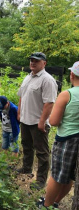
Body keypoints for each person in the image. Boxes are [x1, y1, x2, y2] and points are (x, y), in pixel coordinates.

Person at [37, 61, 79, 208]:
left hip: (66, 140)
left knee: (57, 176)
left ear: (71, 74)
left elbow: (54, 121)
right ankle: (56, 202)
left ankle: (46, 205)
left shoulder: (66, 95)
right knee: (71, 176)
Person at [16, 52, 58, 190]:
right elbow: (21, 96)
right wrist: (19, 112)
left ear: (44, 63)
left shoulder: (47, 80)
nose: (32, 63)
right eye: (31, 60)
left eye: (36, 61)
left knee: (42, 152)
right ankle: (27, 169)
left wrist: (42, 122)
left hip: (37, 122)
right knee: (26, 146)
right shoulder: (28, 77)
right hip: (25, 120)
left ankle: (41, 180)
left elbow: (49, 103)